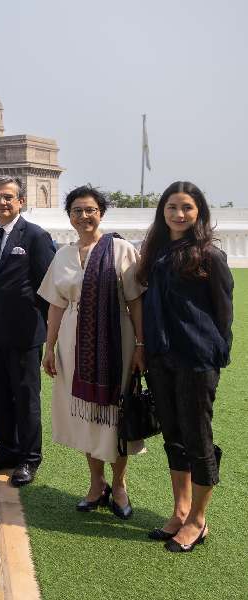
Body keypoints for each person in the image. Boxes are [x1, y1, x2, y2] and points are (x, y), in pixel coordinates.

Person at [39, 186, 146, 518]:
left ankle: (120, 485)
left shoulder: (121, 250)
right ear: (68, 216)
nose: (83, 216)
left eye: (89, 210)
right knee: (87, 416)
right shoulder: (63, 255)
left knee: (116, 415)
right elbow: (56, 305)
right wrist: (50, 347)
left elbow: (135, 301)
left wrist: (141, 345)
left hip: (117, 341)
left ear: (101, 212)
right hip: (75, 345)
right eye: (76, 211)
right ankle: (96, 483)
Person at [137, 181, 233, 553]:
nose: (179, 214)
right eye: (172, 207)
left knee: (198, 439)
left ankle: (198, 519)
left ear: (199, 213)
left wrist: (214, 354)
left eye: (187, 208)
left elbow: (223, 312)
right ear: (163, 212)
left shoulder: (208, 255)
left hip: (196, 360)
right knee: (173, 436)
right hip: (162, 358)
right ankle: (180, 510)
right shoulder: (158, 252)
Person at [0, 175, 55, 487]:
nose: (2, 203)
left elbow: (47, 289)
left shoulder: (35, 237)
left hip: (24, 335)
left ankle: (29, 458)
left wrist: (45, 333)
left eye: (8, 197)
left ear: (21, 201)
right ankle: (6, 450)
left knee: (26, 398)